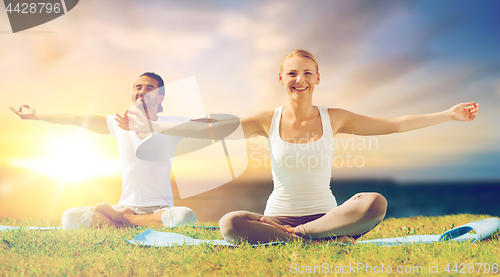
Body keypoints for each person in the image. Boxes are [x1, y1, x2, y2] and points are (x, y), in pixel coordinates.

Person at [116, 50, 479, 244]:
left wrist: (448, 114)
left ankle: (301, 237)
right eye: (292, 73)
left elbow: (395, 125)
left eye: (307, 72)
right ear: (281, 79)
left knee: (374, 202)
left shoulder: (334, 117)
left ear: (318, 78)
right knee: (230, 223)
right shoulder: (265, 120)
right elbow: (212, 131)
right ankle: (310, 238)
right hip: (279, 216)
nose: (299, 79)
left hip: (327, 215)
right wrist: (154, 128)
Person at [10, 72, 197, 229]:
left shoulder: (172, 124)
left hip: (161, 209)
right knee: (70, 217)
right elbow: (76, 118)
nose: (141, 91)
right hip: (124, 205)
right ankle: (131, 219)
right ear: (132, 94)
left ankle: (124, 220)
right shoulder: (119, 125)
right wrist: (36, 116)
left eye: (149, 88)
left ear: (160, 97)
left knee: (185, 217)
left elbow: (209, 129)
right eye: (138, 87)